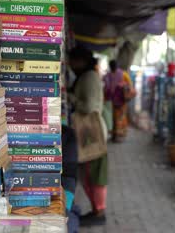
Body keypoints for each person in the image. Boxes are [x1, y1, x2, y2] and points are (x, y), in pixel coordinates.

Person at [68, 46, 108, 225]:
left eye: (73, 60)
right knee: (88, 174)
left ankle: (99, 212)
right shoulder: (87, 76)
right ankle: (96, 210)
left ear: (81, 60)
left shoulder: (89, 77)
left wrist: (72, 99)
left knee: (95, 175)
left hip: (93, 134)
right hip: (88, 133)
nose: (70, 64)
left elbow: (90, 106)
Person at [104, 60, 133, 142]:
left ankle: (117, 135)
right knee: (118, 118)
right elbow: (130, 85)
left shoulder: (109, 75)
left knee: (117, 118)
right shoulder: (122, 74)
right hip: (119, 100)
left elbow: (106, 87)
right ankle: (117, 135)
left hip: (117, 100)